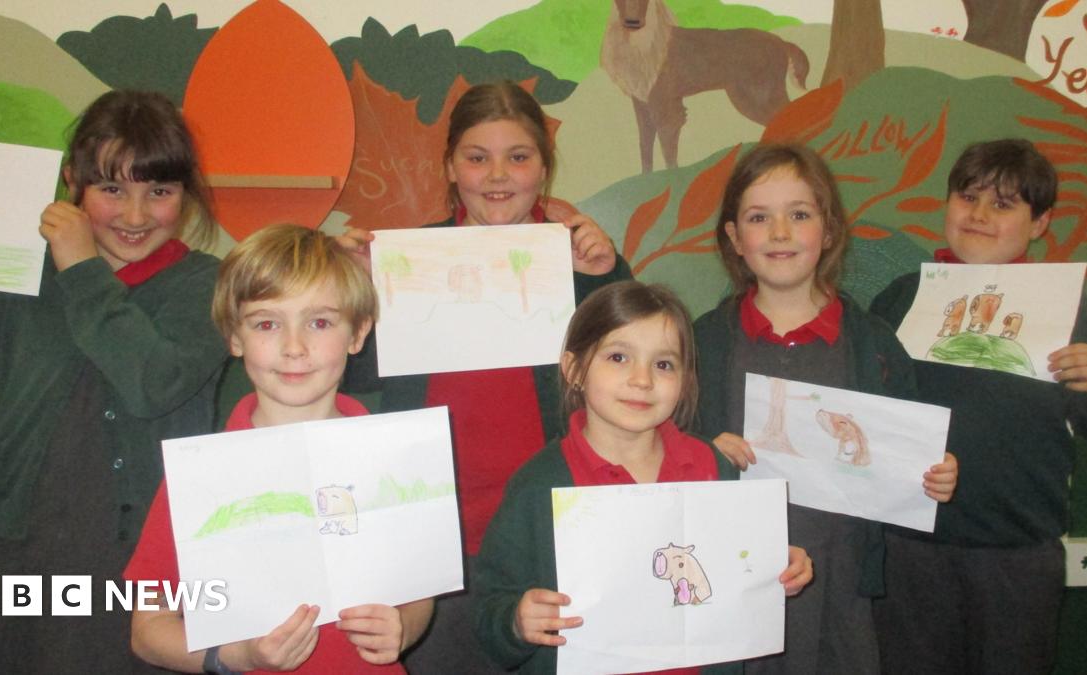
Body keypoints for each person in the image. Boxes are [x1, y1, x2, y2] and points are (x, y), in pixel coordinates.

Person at [0, 89, 228, 673]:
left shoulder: (209, 284)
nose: (135, 216)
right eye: (112, 189)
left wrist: (81, 266)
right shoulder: (24, 275)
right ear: (72, 182)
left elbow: (152, 384)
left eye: (159, 192)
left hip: (141, 561)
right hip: (16, 547)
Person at [337, 79, 632, 671]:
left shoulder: (577, 261)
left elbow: (630, 367)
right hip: (435, 537)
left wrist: (605, 275)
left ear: (544, 170)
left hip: (549, 529)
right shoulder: (406, 259)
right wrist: (349, 292)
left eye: (518, 157)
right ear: (450, 167)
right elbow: (354, 377)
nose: (497, 175)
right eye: (477, 158)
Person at [692, 143, 958, 675]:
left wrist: (934, 475)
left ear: (829, 230)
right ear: (734, 238)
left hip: (843, 584)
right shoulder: (700, 344)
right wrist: (702, 451)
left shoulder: (875, 345)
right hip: (733, 581)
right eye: (759, 218)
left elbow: (907, 453)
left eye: (799, 214)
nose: (781, 233)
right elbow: (660, 457)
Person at [869, 138, 1087, 675]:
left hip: (1017, 552)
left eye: (1004, 205)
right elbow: (867, 410)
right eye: (968, 198)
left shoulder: (1066, 305)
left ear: (1039, 223)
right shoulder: (902, 296)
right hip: (911, 547)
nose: (980, 215)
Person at [127, 224, 434, 673]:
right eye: (267, 323)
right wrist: (238, 655)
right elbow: (148, 628)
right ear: (234, 337)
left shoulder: (394, 459)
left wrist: (403, 626)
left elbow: (420, 592)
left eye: (320, 322)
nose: (294, 347)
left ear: (358, 332)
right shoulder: (201, 474)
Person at [472, 280, 814, 674]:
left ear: (685, 380)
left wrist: (777, 565)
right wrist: (516, 620)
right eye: (618, 357)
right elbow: (489, 610)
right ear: (574, 370)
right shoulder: (538, 485)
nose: (642, 380)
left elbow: (734, 573)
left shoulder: (712, 467)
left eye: (663, 364)